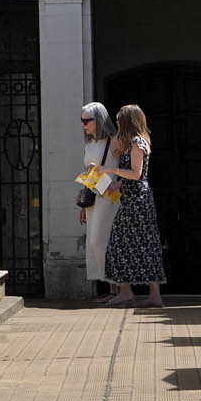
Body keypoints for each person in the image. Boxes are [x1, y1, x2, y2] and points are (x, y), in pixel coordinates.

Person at [103, 102, 165, 307]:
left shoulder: (137, 143)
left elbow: (136, 174)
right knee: (143, 244)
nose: (117, 123)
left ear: (127, 122)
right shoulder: (135, 142)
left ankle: (127, 292)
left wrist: (112, 172)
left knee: (121, 244)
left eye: (120, 120)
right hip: (133, 198)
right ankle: (151, 295)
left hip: (136, 202)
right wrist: (117, 184)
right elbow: (133, 175)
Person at [78, 101, 117, 293]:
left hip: (110, 197)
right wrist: (83, 205)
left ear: (99, 120)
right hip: (94, 195)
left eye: (87, 121)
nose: (84, 125)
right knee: (95, 243)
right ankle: (112, 289)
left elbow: (127, 168)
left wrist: (118, 183)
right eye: (82, 121)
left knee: (101, 240)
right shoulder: (89, 143)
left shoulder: (114, 141)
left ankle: (117, 289)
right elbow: (87, 171)